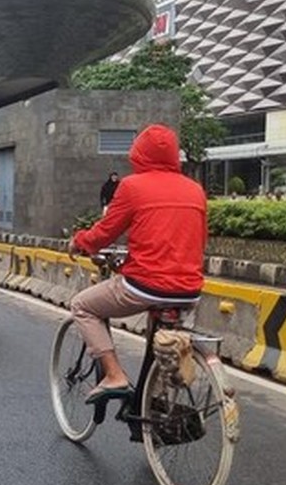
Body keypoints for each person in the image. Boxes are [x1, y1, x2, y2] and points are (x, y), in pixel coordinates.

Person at [67, 124, 207, 401]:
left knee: (81, 306)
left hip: (145, 286)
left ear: (139, 154)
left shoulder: (132, 186)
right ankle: (154, 401)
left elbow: (104, 233)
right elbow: (199, 240)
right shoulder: (195, 190)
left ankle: (114, 375)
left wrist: (79, 242)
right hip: (190, 290)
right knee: (161, 338)